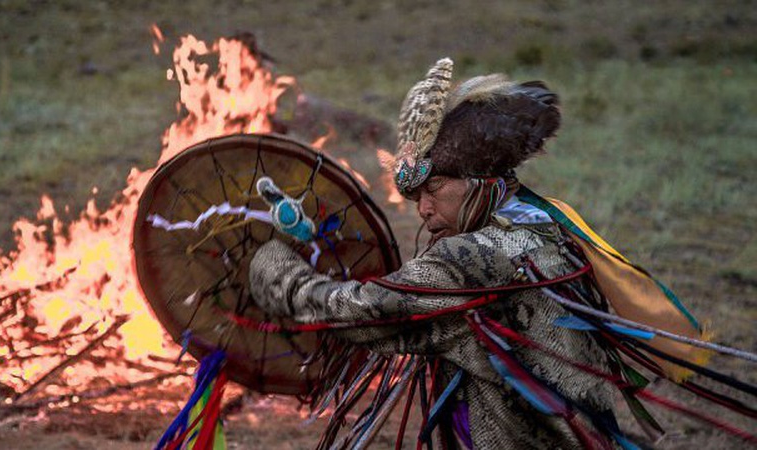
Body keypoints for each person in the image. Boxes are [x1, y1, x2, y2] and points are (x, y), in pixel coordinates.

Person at [248, 59, 702, 449]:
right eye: (416, 197)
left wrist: (275, 271)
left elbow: (363, 313)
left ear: (482, 180)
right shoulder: (543, 225)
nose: (424, 210)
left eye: (435, 189)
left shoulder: (471, 260)